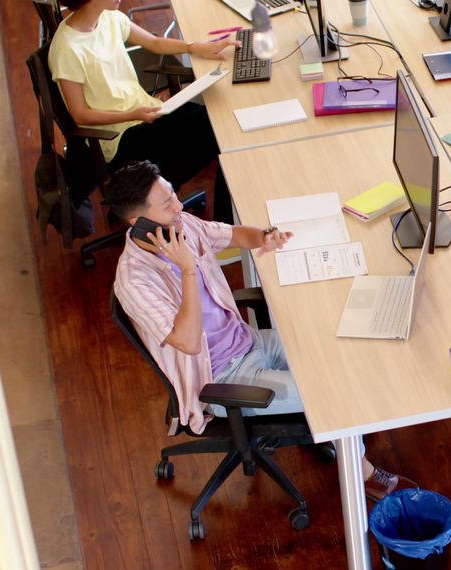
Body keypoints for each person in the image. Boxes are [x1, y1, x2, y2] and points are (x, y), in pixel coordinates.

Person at [107, 160, 403, 500]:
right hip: (222, 378)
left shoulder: (180, 225)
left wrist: (265, 236)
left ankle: (341, 435)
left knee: (336, 351)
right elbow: (188, 343)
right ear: (138, 222)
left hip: (249, 341)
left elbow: (234, 234)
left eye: (174, 195)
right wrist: (188, 270)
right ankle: (360, 473)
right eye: (167, 205)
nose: (179, 207)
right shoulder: (134, 281)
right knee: (330, 393)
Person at [48, 0, 237, 224]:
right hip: (119, 137)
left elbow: (155, 43)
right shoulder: (66, 49)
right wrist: (134, 114)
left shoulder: (109, 18)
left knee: (218, 125)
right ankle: (225, 225)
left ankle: (219, 222)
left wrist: (194, 47)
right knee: (219, 134)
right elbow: (80, 114)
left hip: (146, 113)